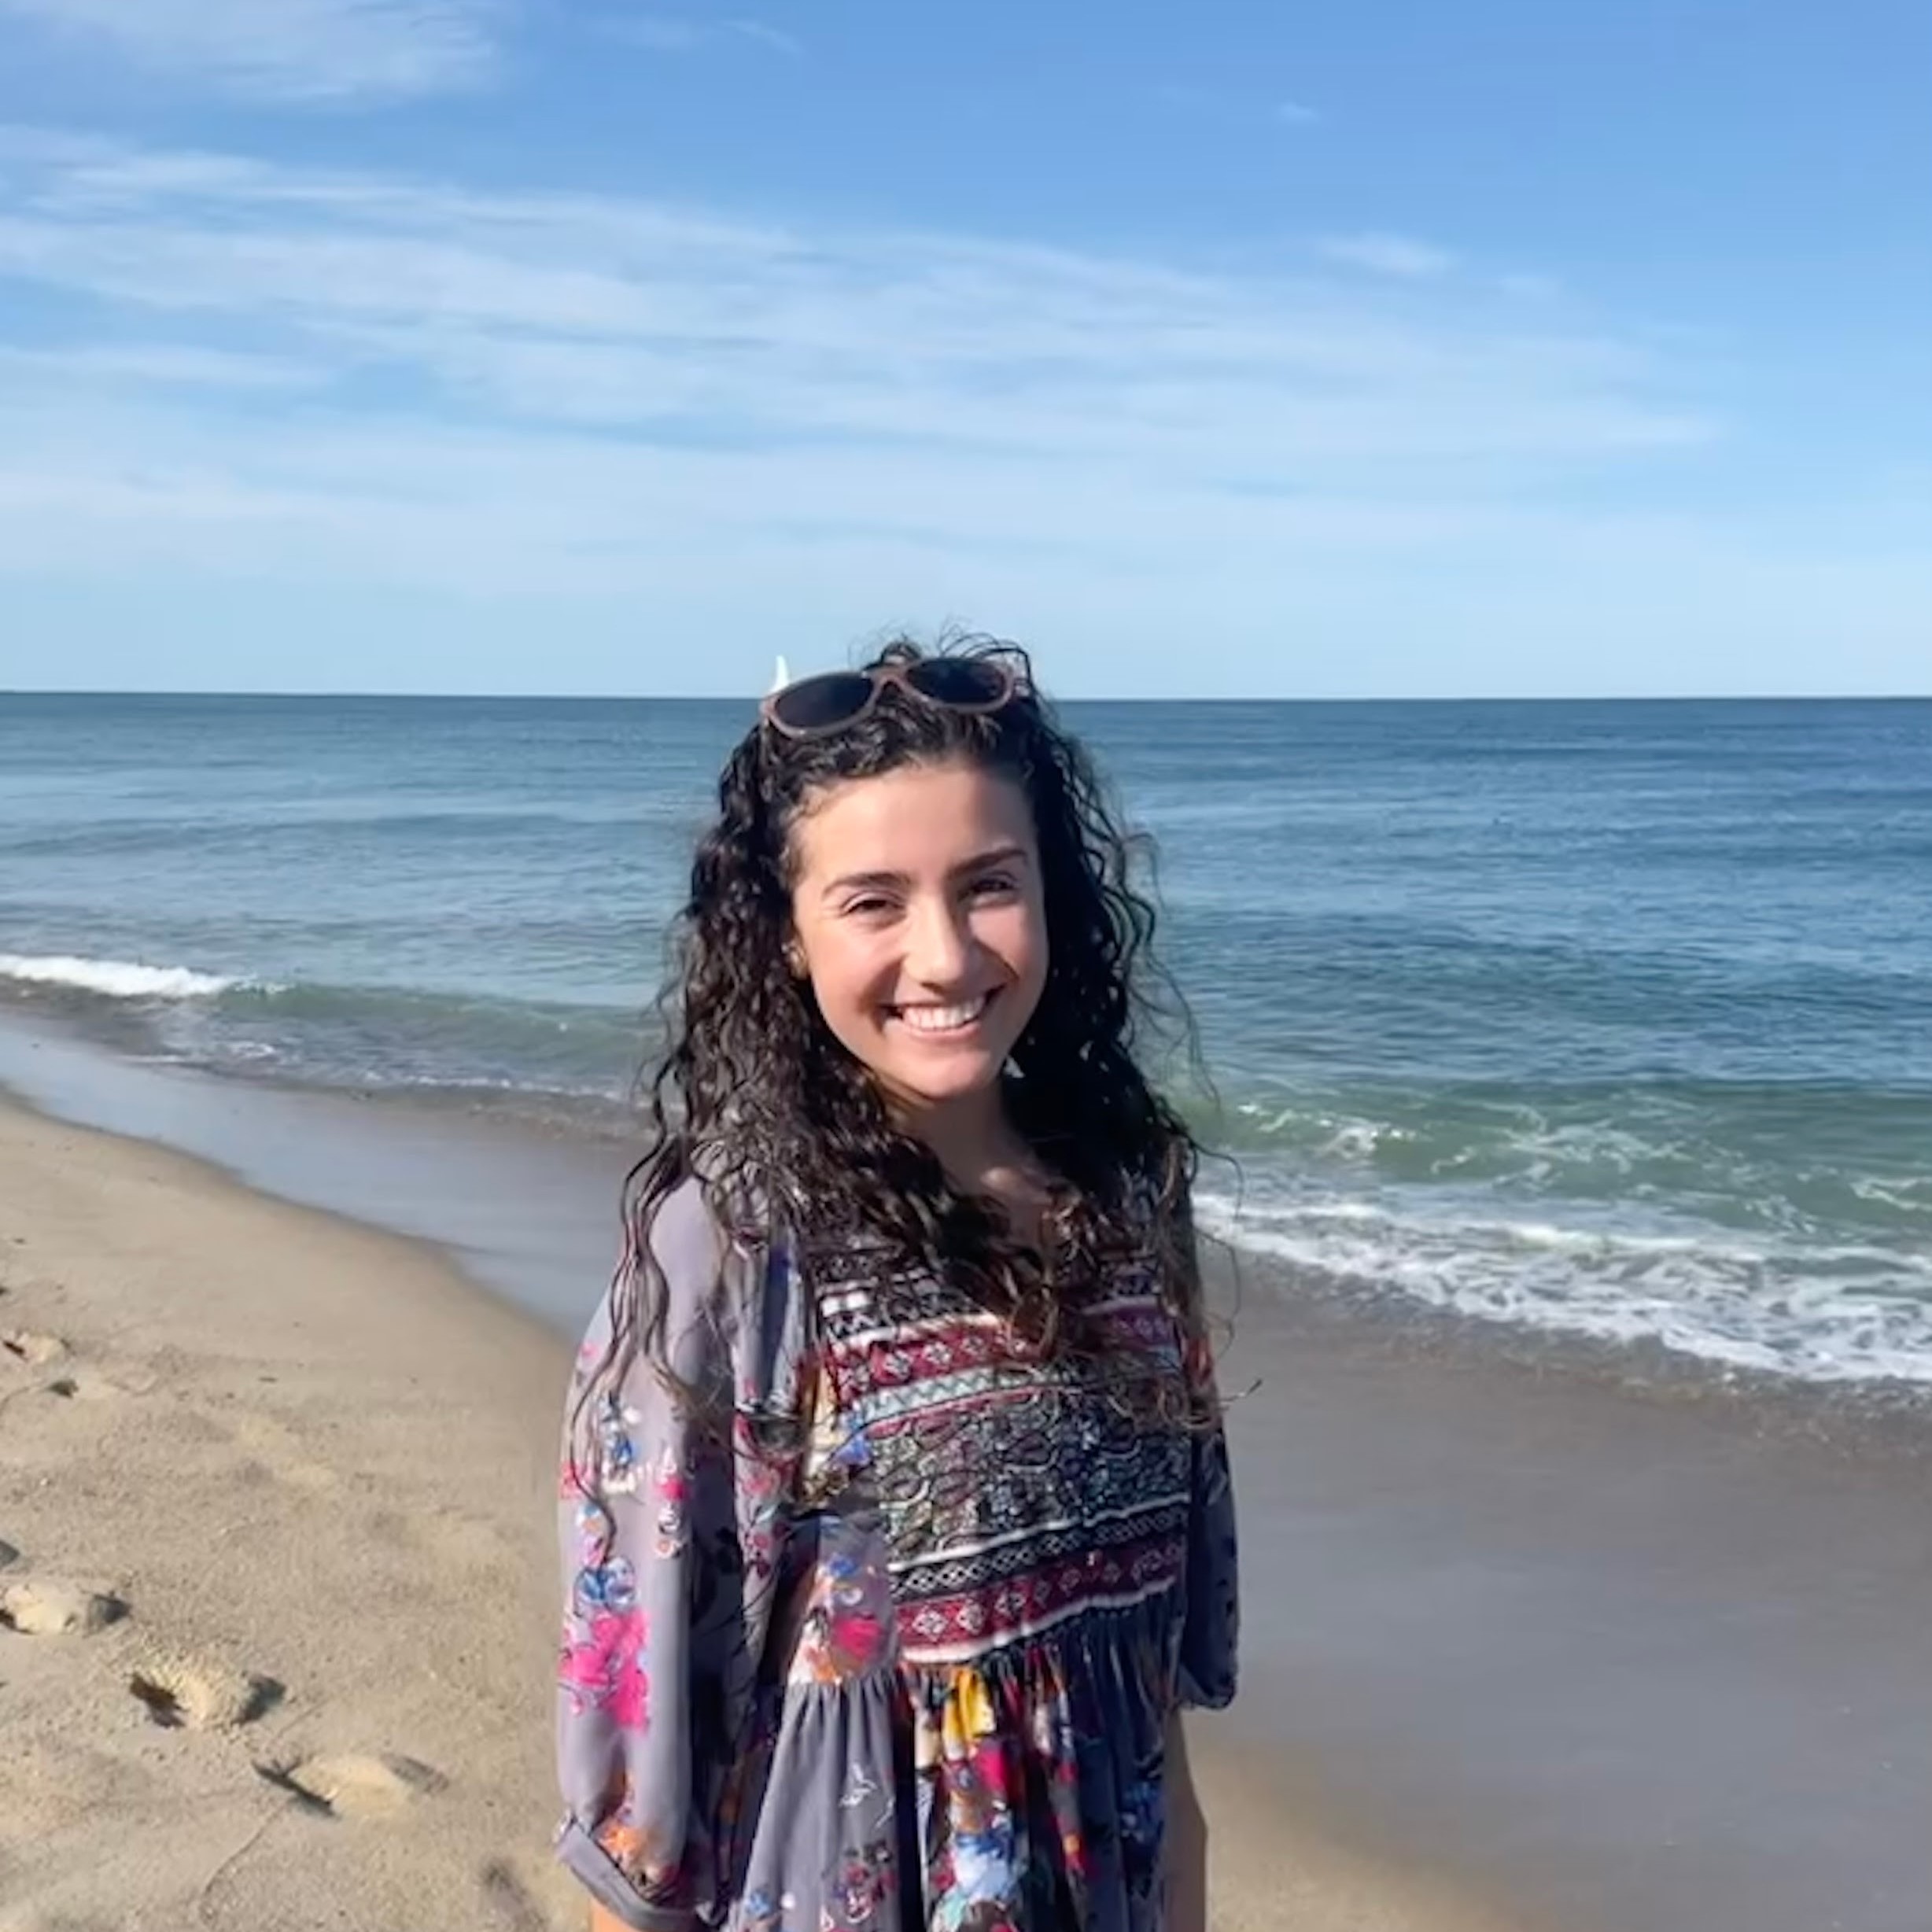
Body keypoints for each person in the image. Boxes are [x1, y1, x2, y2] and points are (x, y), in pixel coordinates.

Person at [555, 637, 1239, 1932]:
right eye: (874, 902)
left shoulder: (1130, 1202)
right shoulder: (735, 1247)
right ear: (788, 936)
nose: (945, 956)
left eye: (989, 886)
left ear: (1054, 892)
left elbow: (1159, 1723)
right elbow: (642, 1802)